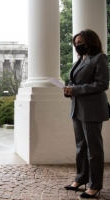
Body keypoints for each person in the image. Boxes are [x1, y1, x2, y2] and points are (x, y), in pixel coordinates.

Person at [63, 29, 109, 198]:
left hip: (93, 109)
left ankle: (95, 185)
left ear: (91, 42)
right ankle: (81, 178)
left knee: (93, 149)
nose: (77, 46)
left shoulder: (99, 58)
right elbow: (75, 81)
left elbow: (102, 84)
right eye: (76, 44)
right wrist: (69, 89)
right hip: (77, 108)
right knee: (81, 146)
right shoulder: (79, 60)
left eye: (80, 43)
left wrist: (76, 89)